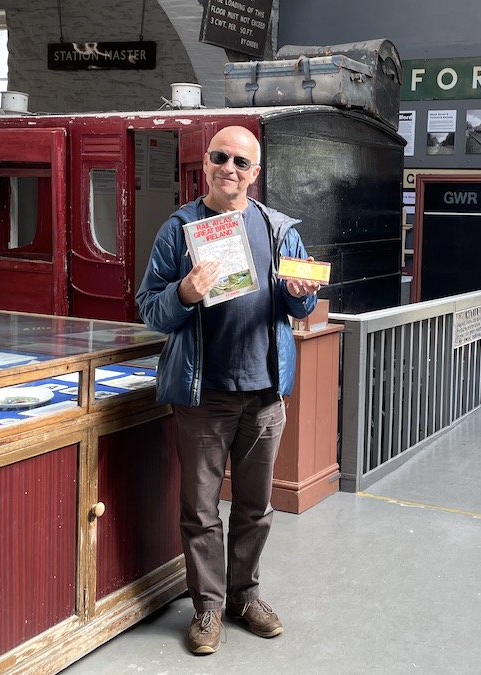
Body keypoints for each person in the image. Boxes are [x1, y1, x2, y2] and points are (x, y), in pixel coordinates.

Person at [135, 125, 320, 655]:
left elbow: (300, 305)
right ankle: (208, 608)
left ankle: (245, 597)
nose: (229, 169)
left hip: (264, 394)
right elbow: (149, 308)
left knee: (255, 507)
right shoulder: (179, 229)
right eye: (220, 157)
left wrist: (301, 295)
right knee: (199, 509)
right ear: (206, 163)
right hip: (203, 395)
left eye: (241, 162)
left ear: (254, 173)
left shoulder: (279, 230)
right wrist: (184, 292)